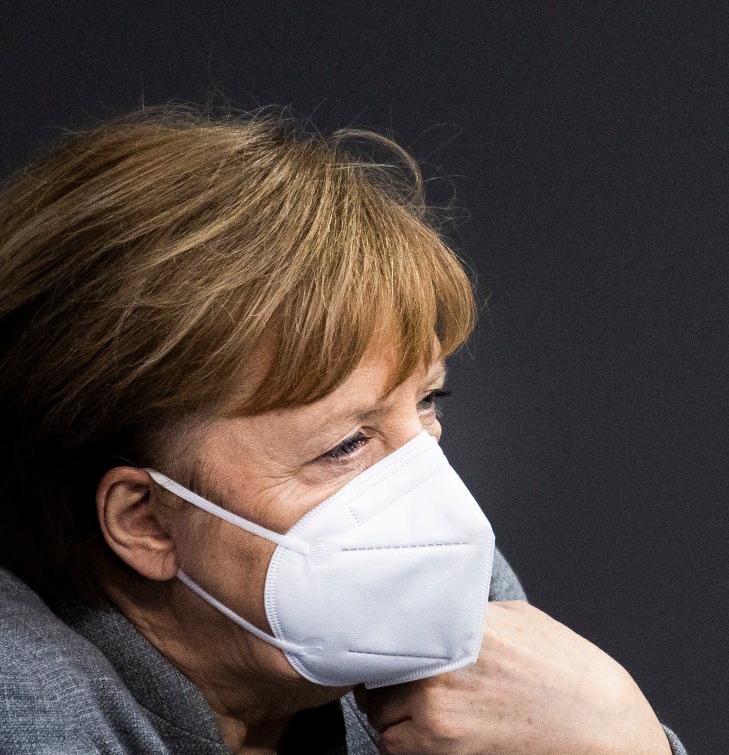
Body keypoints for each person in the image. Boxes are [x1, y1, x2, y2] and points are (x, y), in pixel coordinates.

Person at [0, 104, 686, 754]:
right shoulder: (23, 704)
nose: (427, 495)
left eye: (427, 402)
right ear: (147, 520)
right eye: (347, 444)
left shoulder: (426, 582)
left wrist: (626, 738)